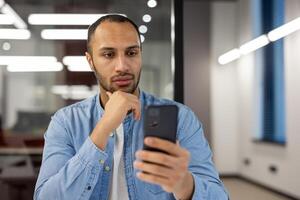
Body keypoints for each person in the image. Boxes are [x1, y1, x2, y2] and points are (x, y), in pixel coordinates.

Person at [34, 14, 229, 200]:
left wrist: (184, 183)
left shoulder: (181, 118)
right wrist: (104, 127)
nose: (122, 66)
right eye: (108, 54)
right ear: (91, 61)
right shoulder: (66, 122)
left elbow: (219, 196)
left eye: (131, 52)